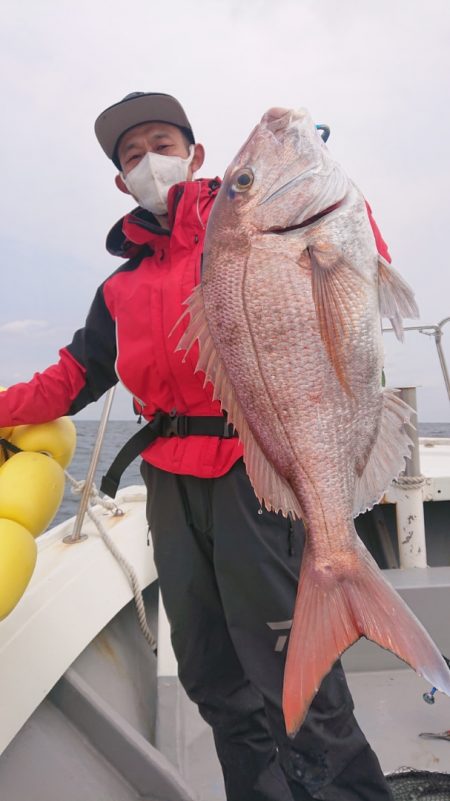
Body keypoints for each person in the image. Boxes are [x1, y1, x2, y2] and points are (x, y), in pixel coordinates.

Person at [0, 92, 394, 801]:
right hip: (171, 491)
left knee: (294, 677)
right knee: (212, 672)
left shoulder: (254, 229)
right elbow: (73, 375)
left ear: (195, 154)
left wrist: (322, 205)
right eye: (131, 154)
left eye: (161, 141)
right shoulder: (120, 286)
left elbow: (354, 271)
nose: (149, 159)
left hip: (260, 473)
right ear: (121, 181)